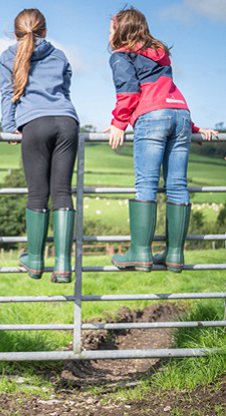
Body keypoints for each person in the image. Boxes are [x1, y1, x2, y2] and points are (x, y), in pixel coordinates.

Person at [105, 7, 217, 273]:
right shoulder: (161, 54)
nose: (108, 34)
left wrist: (118, 123)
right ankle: (175, 254)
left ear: (121, 31)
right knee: (177, 184)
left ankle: (141, 252)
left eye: (111, 29)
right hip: (179, 114)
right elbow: (167, 93)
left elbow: (129, 91)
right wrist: (192, 127)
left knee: (146, 183)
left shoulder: (121, 56)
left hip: (152, 117)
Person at [0, 8, 80, 283]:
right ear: (45, 31)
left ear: (16, 33)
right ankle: (63, 264)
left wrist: (9, 128)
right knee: (61, 192)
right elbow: (65, 90)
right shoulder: (59, 54)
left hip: (35, 124)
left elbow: (8, 94)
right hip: (68, 122)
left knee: (37, 194)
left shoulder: (8, 56)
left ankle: (34, 260)